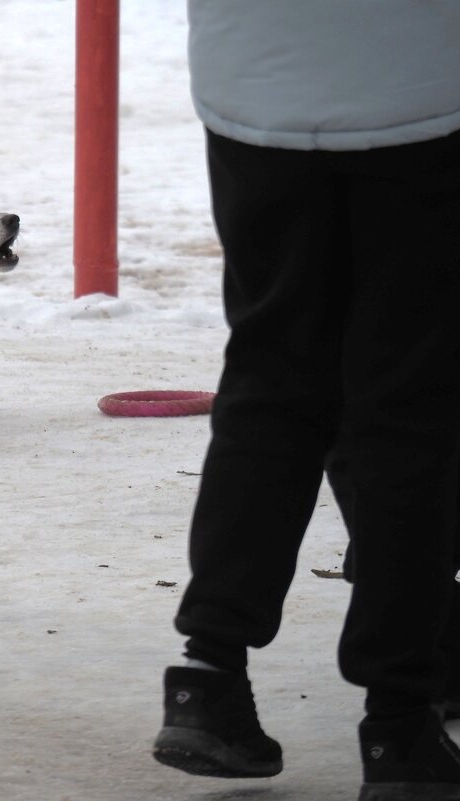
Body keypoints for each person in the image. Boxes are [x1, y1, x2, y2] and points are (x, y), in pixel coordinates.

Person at [151, 3, 460, 800]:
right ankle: (399, 721)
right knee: (407, 403)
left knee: (270, 376)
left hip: (257, 88)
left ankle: (208, 673)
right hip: (422, 85)